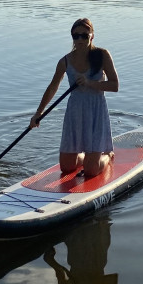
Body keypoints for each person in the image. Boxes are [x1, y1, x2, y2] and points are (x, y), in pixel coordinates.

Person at [30, 18, 119, 177]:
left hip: (95, 111)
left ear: (92, 36)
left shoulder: (102, 55)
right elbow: (52, 87)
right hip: (75, 113)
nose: (79, 39)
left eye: (84, 35)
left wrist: (90, 83)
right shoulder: (65, 61)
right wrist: (39, 113)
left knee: (91, 171)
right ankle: (88, 158)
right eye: (75, 36)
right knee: (67, 168)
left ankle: (106, 156)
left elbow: (114, 85)